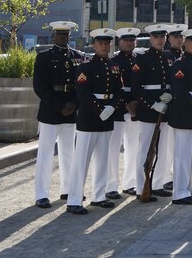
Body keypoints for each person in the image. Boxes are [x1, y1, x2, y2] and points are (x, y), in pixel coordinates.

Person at [67, 28, 124, 214]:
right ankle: (74, 200)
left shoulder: (113, 66)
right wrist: (101, 109)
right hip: (90, 117)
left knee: (103, 160)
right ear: (94, 44)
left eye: (107, 43)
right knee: (81, 161)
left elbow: (119, 90)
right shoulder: (85, 66)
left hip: (107, 116)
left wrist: (112, 107)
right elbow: (82, 93)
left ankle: (99, 196)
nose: (104, 46)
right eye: (101, 43)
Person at [32, 20, 81, 209]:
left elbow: (80, 84)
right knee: (45, 154)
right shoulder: (43, 58)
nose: (63, 37)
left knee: (69, 153)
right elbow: (40, 87)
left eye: (66, 34)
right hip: (51, 110)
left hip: (70, 110)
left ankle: (68, 189)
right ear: (54, 36)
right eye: (60, 34)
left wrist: (74, 104)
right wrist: (60, 105)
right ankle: (41, 194)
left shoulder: (77, 56)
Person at [129, 24, 173, 200]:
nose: (160, 40)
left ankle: (157, 184)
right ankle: (141, 187)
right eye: (156, 37)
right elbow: (136, 88)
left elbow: (170, 83)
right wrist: (152, 104)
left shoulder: (168, 58)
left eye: (162, 36)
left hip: (165, 108)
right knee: (146, 149)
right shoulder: (142, 58)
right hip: (149, 110)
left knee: (162, 149)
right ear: (150, 38)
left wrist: (169, 95)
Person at [168, 28, 192, 205]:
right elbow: (180, 92)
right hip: (184, 114)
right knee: (182, 155)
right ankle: (179, 192)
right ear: (185, 43)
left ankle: (190, 186)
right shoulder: (179, 64)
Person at [108, 27, 141, 198]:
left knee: (133, 147)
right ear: (120, 42)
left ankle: (130, 183)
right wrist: (126, 102)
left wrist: (135, 103)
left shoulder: (139, 60)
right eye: (126, 40)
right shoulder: (114, 61)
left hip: (135, 108)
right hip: (119, 109)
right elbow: (114, 87)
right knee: (113, 149)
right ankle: (110, 186)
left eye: (132, 40)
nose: (129, 43)